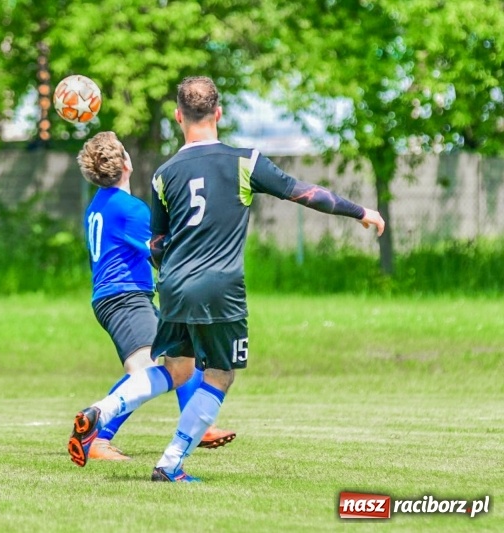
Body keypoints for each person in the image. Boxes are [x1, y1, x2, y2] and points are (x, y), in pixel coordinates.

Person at [68, 76, 385, 482]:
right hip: (220, 287)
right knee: (220, 373)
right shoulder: (245, 161)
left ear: (179, 117)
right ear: (218, 113)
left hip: (174, 286)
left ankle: (104, 410)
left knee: (176, 369)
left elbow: (158, 244)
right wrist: (360, 212)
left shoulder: (163, 174)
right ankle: (169, 464)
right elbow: (302, 192)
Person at [77, 132, 236, 461]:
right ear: (126, 164)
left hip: (118, 296)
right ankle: (98, 435)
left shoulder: (100, 203)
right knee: (153, 369)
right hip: (124, 298)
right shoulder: (129, 209)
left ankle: (196, 425)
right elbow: (161, 254)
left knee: (178, 361)